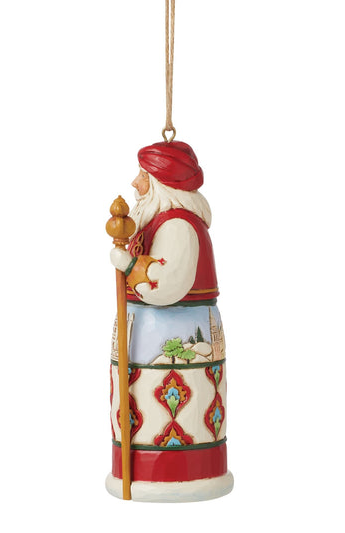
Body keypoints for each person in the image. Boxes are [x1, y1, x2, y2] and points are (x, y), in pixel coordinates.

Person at [106, 141, 233, 502]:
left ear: (162, 183)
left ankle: (180, 474)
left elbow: (166, 286)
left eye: (143, 176)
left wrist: (128, 264)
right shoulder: (156, 222)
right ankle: (139, 473)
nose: (135, 183)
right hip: (144, 335)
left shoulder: (178, 226)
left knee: (178, 408)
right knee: (141, 407)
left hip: (171, 330)